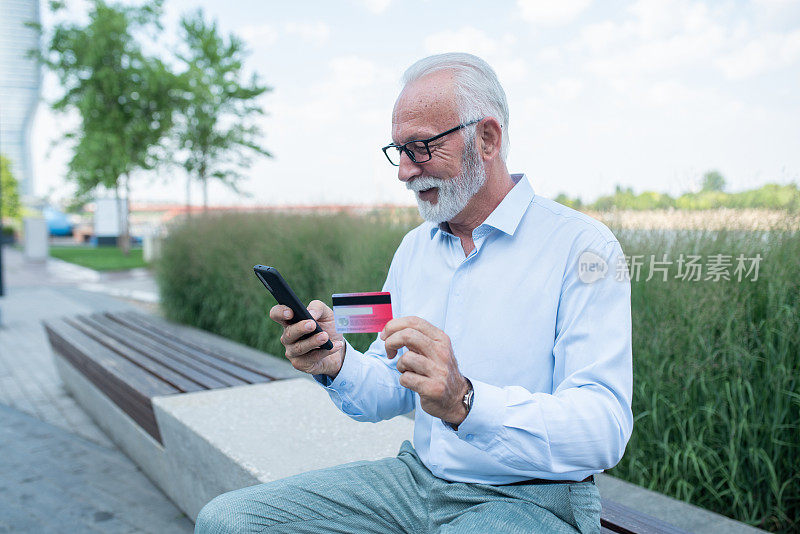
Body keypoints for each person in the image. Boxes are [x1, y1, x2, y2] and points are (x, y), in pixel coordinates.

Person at [195, 52, 633, 534]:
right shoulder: (413, 249)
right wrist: (336, 362)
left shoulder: (584, 247)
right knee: (228, 521)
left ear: (486, 138)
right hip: (418, 480)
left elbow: (603, 429)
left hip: (532, 499)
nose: (404, 172)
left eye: (420, 147)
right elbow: (387, 387)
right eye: (398, 150)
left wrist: (466, 401)